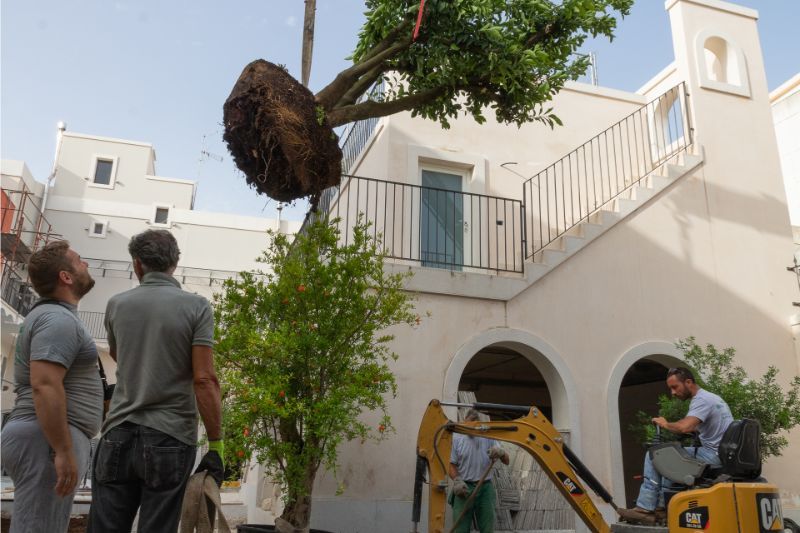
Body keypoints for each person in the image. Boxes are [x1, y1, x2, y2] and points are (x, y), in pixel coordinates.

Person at [87, 229, 223, 533]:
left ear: (137, 264)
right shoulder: (196, 307)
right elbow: (204, 379)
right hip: (170, 437)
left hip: (117, 434)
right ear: (175, 263)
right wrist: (216, 444)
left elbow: (120, 356)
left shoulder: (117, 304)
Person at [0, 241, 102, 533]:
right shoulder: (57, 320)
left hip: (44, 439)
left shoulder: (54, 317)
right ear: (66, 277)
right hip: (44, 441)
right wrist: (62, 450)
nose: (86, 265)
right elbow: (44, 385)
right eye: (80, 260)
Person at [618, 367, 733, 525]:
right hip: (719, 454)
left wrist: (665, 423)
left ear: (688, 382)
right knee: (669, 457)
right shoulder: (711, 398)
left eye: (674, 387)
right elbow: (692, 428)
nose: (672, 392)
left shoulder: (702, 400)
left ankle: (645, 508)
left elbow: (685, 426)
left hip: (712, 455)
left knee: (654, 455)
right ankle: (661, 509)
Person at [449, 409, 510, 533]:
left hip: (485, 488)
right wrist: (457, 481)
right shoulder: (457, 437)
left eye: (474, 426)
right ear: (465, 423)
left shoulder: (487, 435)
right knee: (460, 529)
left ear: (478, 424)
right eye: (468, 426)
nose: (470, 431)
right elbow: (451, 464)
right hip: (464, 488)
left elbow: (506, 461)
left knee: (487, 528)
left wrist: (501, 452)